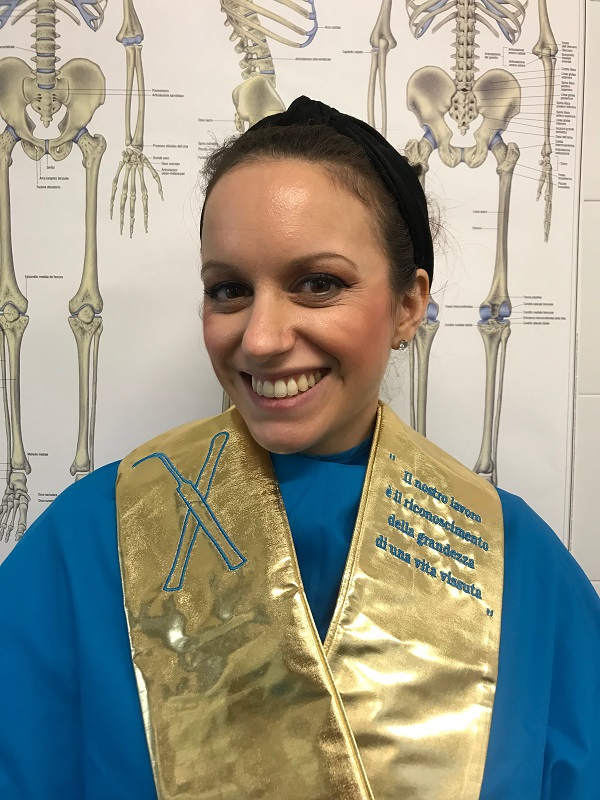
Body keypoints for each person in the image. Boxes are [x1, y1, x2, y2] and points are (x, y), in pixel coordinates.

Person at [0, 96, 598, 800]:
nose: (260, 339)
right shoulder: (92, 541)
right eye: (229, 290)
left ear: (409, 305)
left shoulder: (517, 564)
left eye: (318, 284)